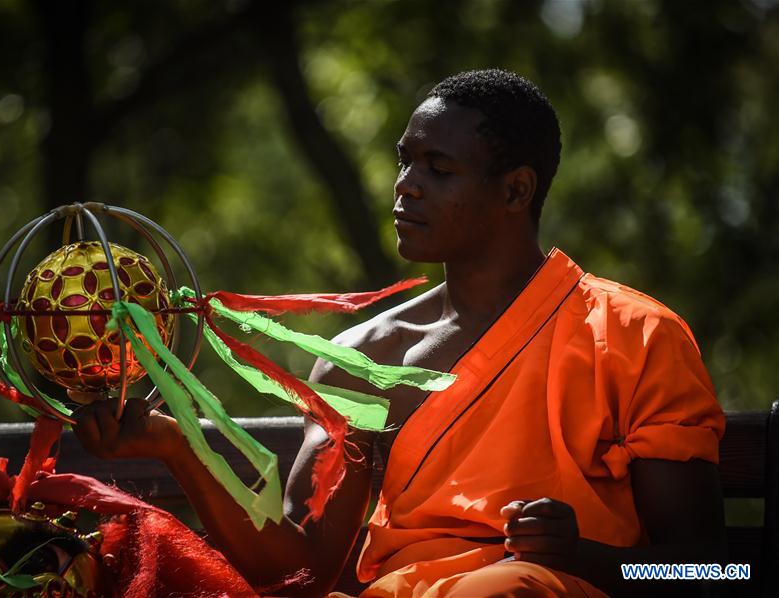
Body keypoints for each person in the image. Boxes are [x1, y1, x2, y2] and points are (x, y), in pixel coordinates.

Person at [73, 69, 727, 597]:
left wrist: (593, 562)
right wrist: (176, 446)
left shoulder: (635, 334)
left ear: (515, 190)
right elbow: (302, 573)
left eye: (437, 170)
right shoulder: (364, 357)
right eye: (405, 162)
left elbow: (715, 570)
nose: (405, 188)